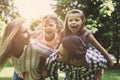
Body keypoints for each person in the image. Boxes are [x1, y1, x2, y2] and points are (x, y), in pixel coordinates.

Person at [47, 9, 114, 80]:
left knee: (95, 69)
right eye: (70, 20)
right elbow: (61, 46)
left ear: (82, 22)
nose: (73, 22)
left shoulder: (86, 34)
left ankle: (99, 70)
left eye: (77, 20)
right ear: (67, 22)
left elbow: (99, 47)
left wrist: (109, 59)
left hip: (87, 55)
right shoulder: (65, 33)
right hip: (71, 58)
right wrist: (57, 53)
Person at [31, 14, 63, 78]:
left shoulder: (59, 37)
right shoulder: (40, 33)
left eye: (51, 25)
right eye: (45, 26)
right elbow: (28, 33)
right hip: (39, 58)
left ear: (56, 27)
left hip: (51, 58)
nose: (48, 28)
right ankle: (43, 71)